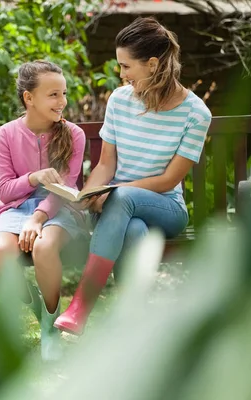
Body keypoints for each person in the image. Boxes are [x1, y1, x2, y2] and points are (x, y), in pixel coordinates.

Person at [54, 17, 212, 336]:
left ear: (152, 64)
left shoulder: (196, 113)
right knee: (133, 227)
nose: (121, 74)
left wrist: (113, 192)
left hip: (167, 209)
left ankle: (82, 304)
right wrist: (92, 193)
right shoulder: (120, 100)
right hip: (120, 211)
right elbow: (106, 165)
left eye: (126, 66)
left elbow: (169, 180)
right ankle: (132, 323)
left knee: (124, 199)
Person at [0, 60, 86, 360]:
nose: (63, 102)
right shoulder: (5, 134)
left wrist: (38, 217)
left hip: (60, 209)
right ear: (29, 98)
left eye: (64, 93)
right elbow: (4, 190)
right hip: (13, 209)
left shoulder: (74, 135)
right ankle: (42, 314)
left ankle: (50, 327)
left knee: (43, 248)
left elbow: (64, 191)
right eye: (53, 94)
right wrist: (34, 177)